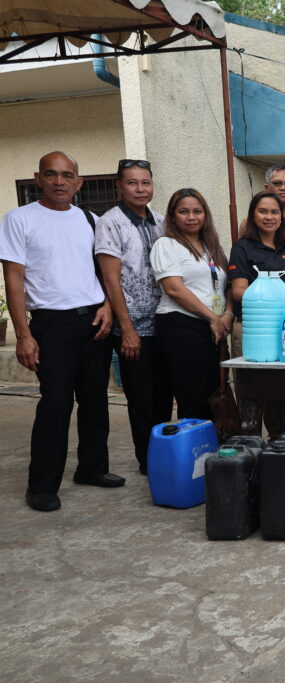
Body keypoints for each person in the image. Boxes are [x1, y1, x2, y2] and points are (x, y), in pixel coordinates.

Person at [0, 151, 120, 512]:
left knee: (95, 399)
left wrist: (108, 306)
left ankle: (92, 468)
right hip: (51, 324)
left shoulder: (89, 219)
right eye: (51, 174)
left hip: (94, 321)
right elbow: (14, 280)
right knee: (56, 403)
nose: (59, 181)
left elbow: (104, 271)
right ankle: (41, 485)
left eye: (67, 175)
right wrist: (24, 335)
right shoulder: (19, 219)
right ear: (38, 178)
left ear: (78, 183)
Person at [94, 158, 172, 476]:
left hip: (164, 321)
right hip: (133, 327)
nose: (140, 189)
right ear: (119, 186)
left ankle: (162, 453)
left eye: (145, 182)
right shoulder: (110, 222)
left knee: (164, 395)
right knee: (141, 398)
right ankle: (147, 459)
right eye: (132, 182)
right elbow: (111, 280)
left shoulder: (161, 221)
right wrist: (126, 329)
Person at [228, 190, 285, 437]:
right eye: (263, 211)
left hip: (283, 332)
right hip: (253, 329)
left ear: (282, 217)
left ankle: (280, 448)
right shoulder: (242, 247)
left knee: (281, 398)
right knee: (252, 397)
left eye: (274, 212)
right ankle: (250, 448)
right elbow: (239, 291)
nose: (269, 217)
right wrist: (271, 295)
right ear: (253, 215)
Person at [150, 188, 232, 420]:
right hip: (181, 325)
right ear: (173, 215)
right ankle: (193, 443)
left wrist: (227, 314)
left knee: (212, 395)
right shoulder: (166, 245)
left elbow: (227, 284)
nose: (191, 217)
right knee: (193, 398)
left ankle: (210, 442)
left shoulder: (211, 246)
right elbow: (174, 288)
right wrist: (212, 317)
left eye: (197, 211)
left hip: (212, 328)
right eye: (184, 212)